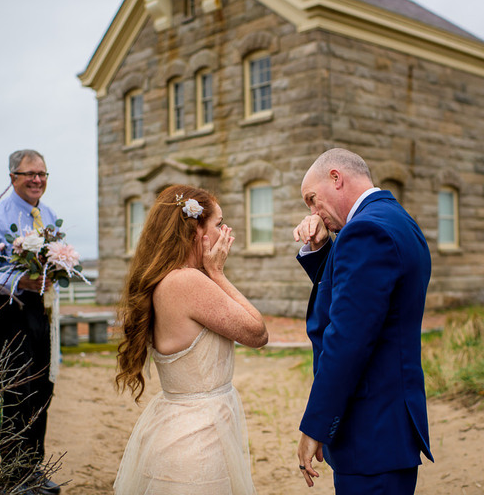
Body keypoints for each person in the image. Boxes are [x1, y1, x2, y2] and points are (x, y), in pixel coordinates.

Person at [293, 148, 433, 494]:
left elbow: (347, 340)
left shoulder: (365, 232)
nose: (312, 212)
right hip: (390, 426)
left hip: (370, 431)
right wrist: (321, 251)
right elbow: (357, 302)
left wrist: (316, 426)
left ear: (336, 178)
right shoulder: (395, 220)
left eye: (312, 199)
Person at [114, 184, 268, 494]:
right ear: (197, 230)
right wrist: (218, 273)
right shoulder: (187, 281)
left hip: (183, 429)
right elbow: (257, 332)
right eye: (219, 223)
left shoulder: (169, 278)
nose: (226, 232)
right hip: (198, 440)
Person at [0, 149, 61, 495]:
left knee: (43, 391)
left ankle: (34, 470)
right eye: (29, 174)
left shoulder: (48, 215)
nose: (37, 180)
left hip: (44, 314)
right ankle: (13, 475)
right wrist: (16, 282)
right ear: (13, 177)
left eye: (42, 174)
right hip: (10, 314)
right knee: (16, 393)